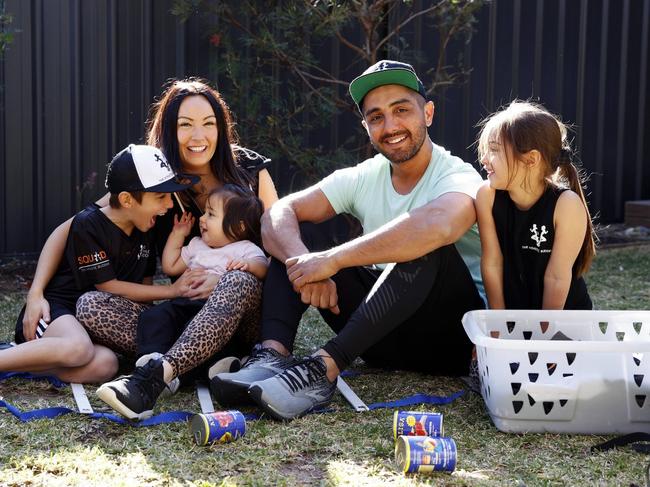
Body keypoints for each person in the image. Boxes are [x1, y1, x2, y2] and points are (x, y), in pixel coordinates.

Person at [211, 60, 486, 420]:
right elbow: (278, 214)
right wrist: (305, 266)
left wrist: (334, 260)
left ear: (428, 113)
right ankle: (270, 357)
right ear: (366, 127)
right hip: (378, 336)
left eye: (401, 110)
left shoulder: (458, 175)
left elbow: (438, 225)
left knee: (425, 248)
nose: (390, 126)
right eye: (376, 117)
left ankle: (321, 370)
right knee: (294, 233)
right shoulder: (365, 176)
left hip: (450, 343)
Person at [21, 79, 279, 419]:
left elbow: (279, 246)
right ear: (169, 130)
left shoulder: (248, 173)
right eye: (185, 125)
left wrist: (232, 282)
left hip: (243, 313)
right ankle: (203, 366)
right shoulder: (157, 179)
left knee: (237, 282)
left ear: (222, 126)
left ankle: (156, 376)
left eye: (209, 123)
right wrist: (37, 292)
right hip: (185, 315)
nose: (198, 136)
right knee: (91, 305)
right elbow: (73, 227)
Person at [0, 144, 194, 383]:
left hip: (87, 325)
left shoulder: (145, 227)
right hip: (57, 311)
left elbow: (145, 287)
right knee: (78, 348)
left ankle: (26, 365)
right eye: (161, 197)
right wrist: (172, 291)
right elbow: (107, 286)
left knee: (107, 365)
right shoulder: (89, 224)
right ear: (126, 199)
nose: (170, 204)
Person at [474, 101, 594, 310]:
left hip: (564, 320)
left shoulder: (566, 205)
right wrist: (498, 324)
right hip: (515, 317)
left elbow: (556, 277)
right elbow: (492, 263)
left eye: (493, 150)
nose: (484, 159)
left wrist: (543, 335)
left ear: (531, 159)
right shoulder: (487, 196)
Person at [133, 184, 268, 366]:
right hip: (184, 304)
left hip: (215, 312)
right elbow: (170, 267)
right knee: (156, 316)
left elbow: (263, 268)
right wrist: (177, 235)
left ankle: (223, 364)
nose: (202, 219)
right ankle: (154, 358)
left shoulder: (245, 249)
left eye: (211, 214)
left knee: (219, 334)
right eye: (205, 212)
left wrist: (248, 265)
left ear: (239, 226)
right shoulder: (197, 244)